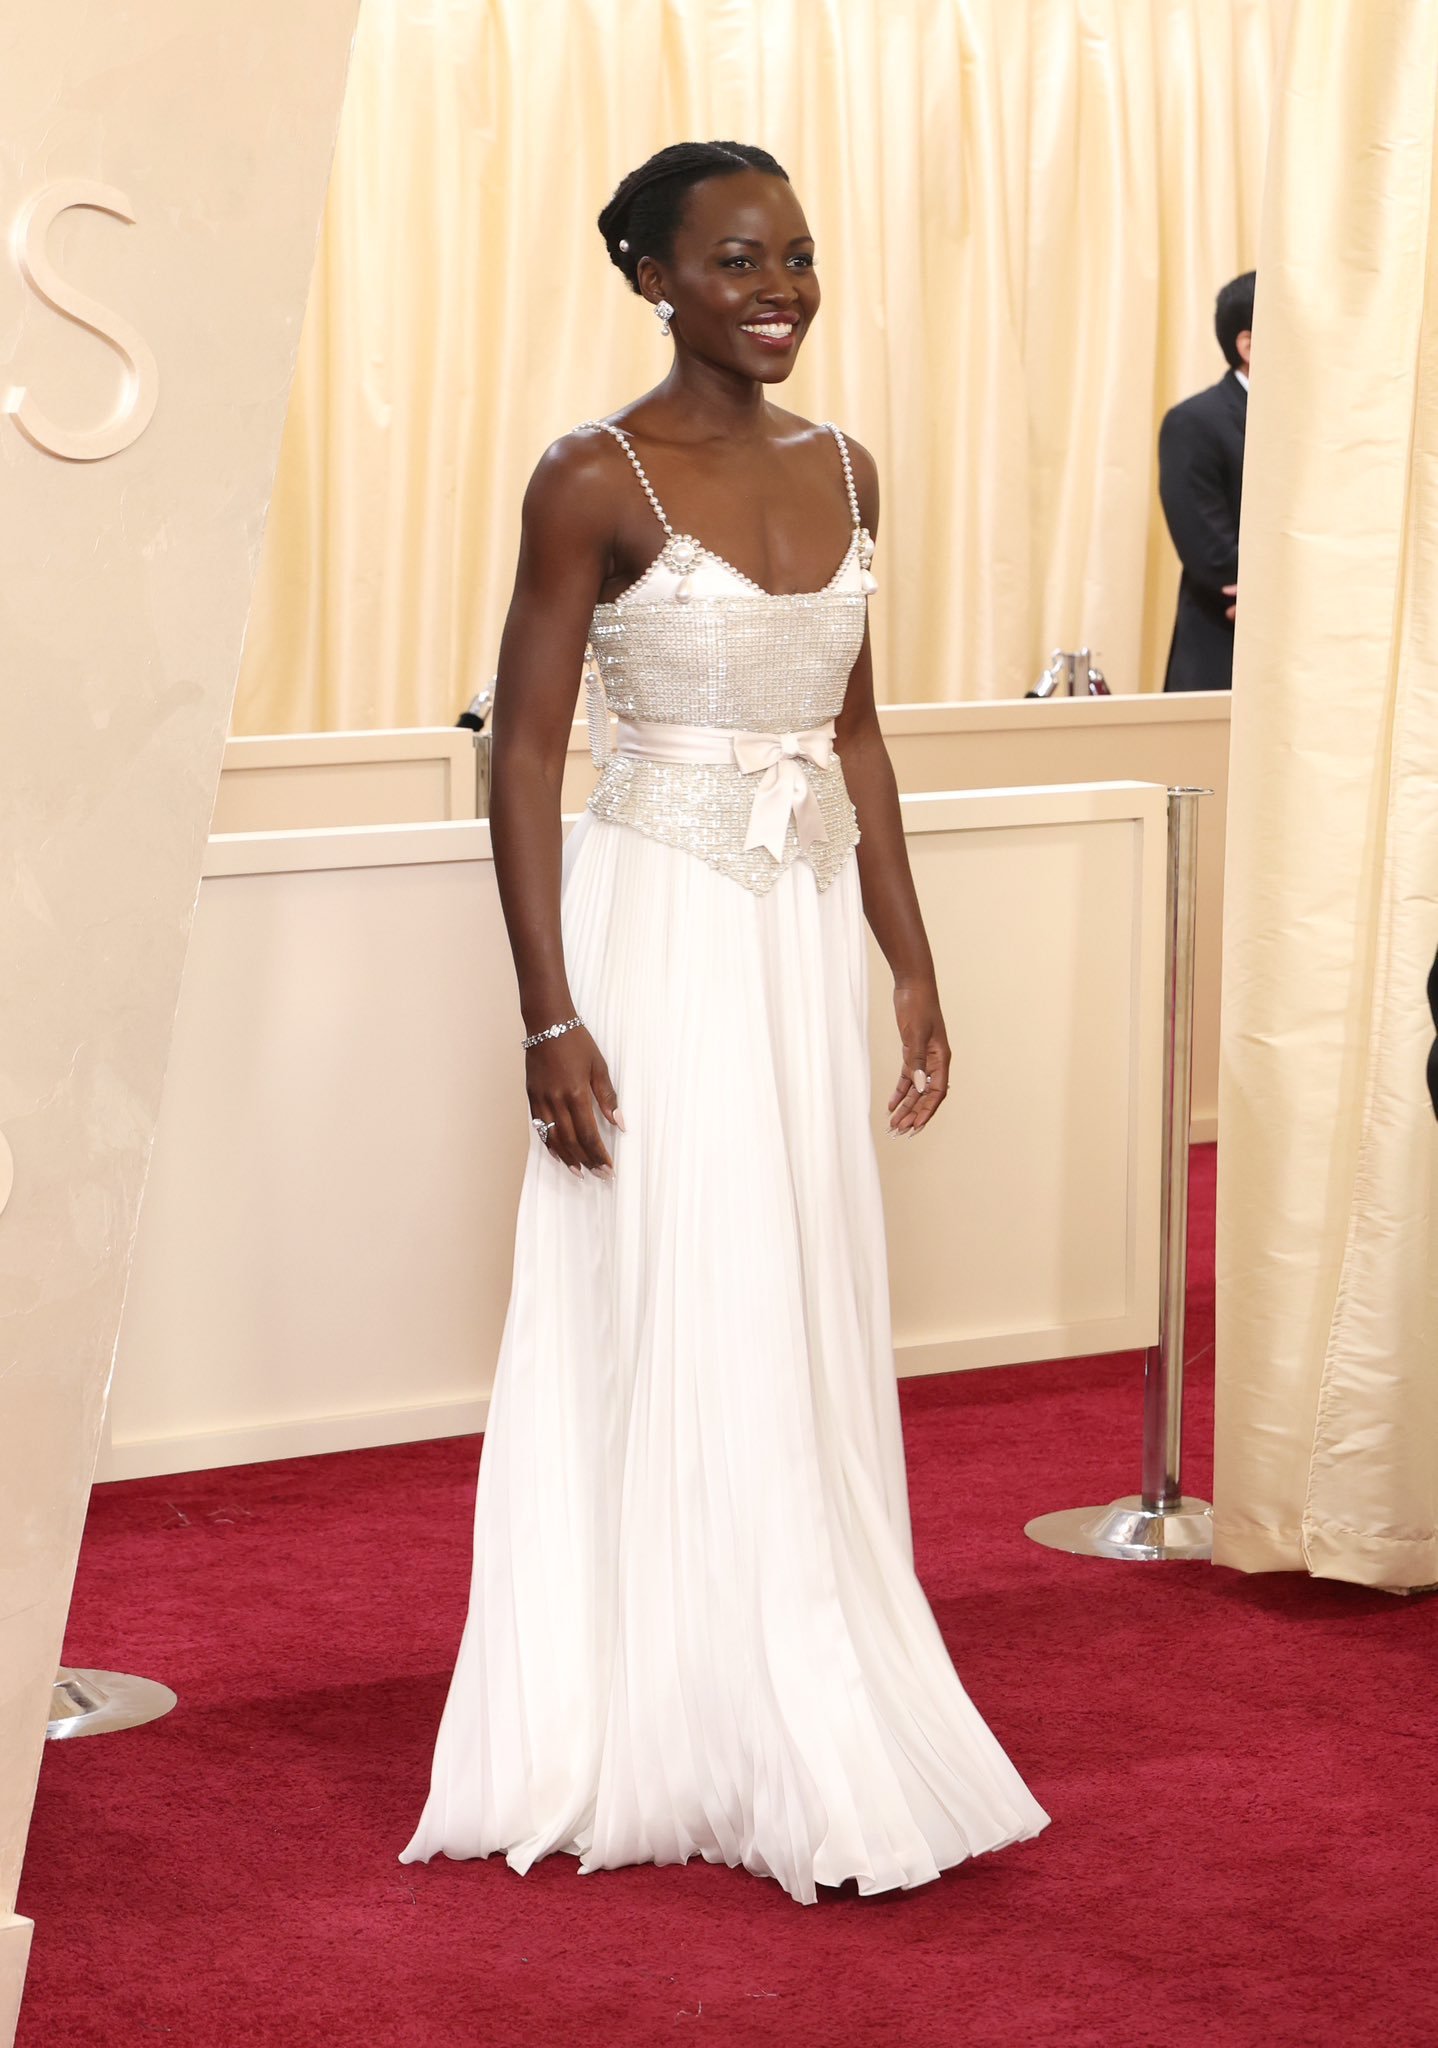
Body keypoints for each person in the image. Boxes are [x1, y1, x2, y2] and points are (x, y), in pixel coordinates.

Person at [399, 140, 1049, 1904]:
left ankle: (797, 1660)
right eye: (737, 259)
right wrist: (546, 1015)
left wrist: (909, 959)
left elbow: (855, 732)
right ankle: (657, 1700)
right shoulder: (588, 475)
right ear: (651, 276)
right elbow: (525, 755)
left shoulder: (845, 466)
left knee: (791, 1273)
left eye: (796, 256)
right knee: (672, 1274)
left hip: (796, 925)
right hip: (658, 927)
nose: (778, 289)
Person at [1158, 271, 1254, 692]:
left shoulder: (1317, 424)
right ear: (1247, 345)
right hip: (1224, 653)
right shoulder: (1194, 422)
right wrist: (1288, 595)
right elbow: (1214, 556)